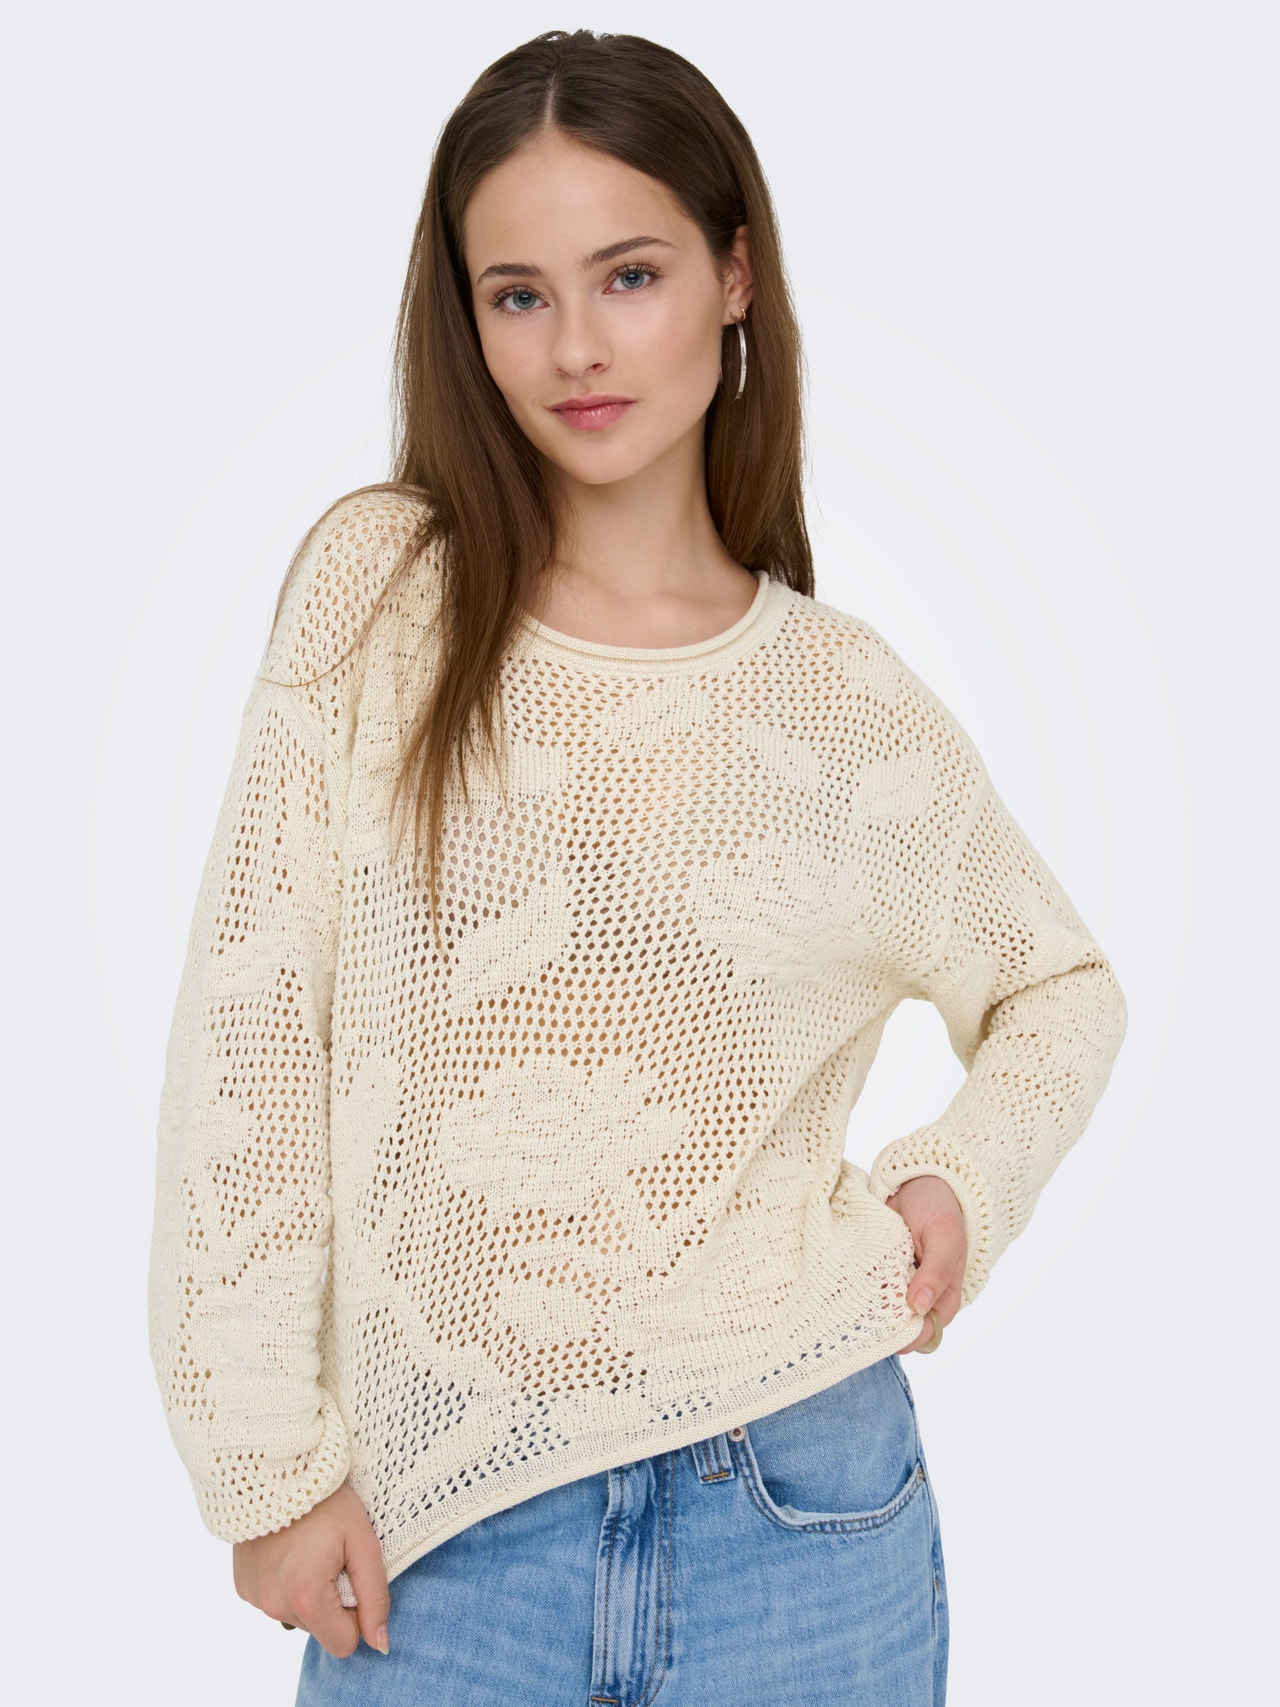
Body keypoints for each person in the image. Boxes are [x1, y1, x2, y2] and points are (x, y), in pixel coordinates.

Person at [147, 28, 1127, 1707]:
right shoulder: (382, 597)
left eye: (631, 275)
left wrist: (961, 1181)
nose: (578, 347)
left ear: (734, 277)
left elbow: (1062, 986)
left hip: (805, 1511)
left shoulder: (841, 703)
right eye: (518, 294)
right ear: (465, 320)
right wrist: (260, 1463)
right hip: (443, 1538)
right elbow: (253, 1029)